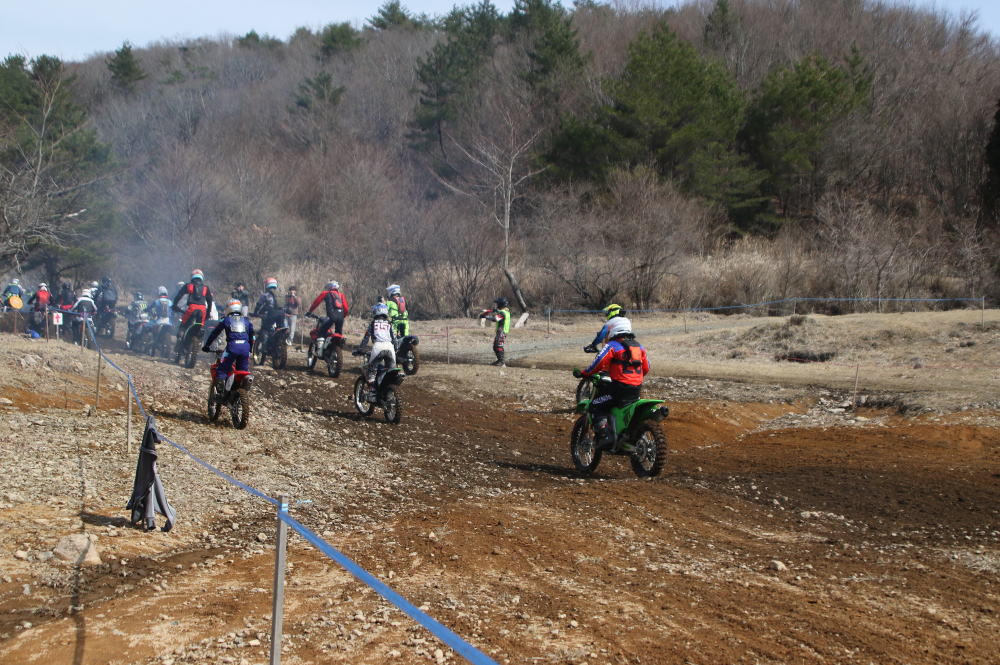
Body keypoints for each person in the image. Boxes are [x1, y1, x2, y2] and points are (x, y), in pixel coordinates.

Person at [574, 317, 649, 451]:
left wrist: (585, 373)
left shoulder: (613, 345)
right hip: (636, 389)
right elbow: (646, 368)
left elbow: (599, 362)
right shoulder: (639, 347)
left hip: (619, 389)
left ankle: (605, 435)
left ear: (614, 331)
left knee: (595, 405)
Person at [202, 299, 255, 396]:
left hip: (232, 347)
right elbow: (252, 337)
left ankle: (220, 392)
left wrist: (207, 345)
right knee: (242, 371)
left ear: (229, 308)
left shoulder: (225, 319)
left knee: (222, 369)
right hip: (245, 348)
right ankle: (240, 388)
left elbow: (215, 333)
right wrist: (250, 349)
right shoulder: (246, 320)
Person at [359, 303, 396, 398]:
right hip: (390, 347)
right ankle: (388, 392)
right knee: (391, 372)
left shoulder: (373, 323)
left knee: (371, 372)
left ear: (375, 312)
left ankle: (372, 392)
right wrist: (396, 349)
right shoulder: (389, 323)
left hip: (378, 347)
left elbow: (366, 337)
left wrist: (361, 348)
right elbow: (394, 339)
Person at [172, 269, 214, 351]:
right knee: (200, 327)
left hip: (191, 309)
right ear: (201, 277)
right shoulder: (206, 288)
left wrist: (174, 305)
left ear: (192, 277)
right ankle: (199, 342)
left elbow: (179, 296)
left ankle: (179, 340)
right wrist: (208, 313)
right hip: (202, 310)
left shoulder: (188, 286)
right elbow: (209, 302)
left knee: (183, 325)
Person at [479, 297, 511, 367]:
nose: (496, 305)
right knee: (495, 346)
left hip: (502, 331)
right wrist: (493, 310)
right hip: (502, 331)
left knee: (498, 346)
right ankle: (500, 361)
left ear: (500, 304)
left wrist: (485, 317)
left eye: (497, 304)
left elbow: (495, 319)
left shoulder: (503, 313)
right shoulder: (506, 311)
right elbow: (499, 311)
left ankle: (501, 362)